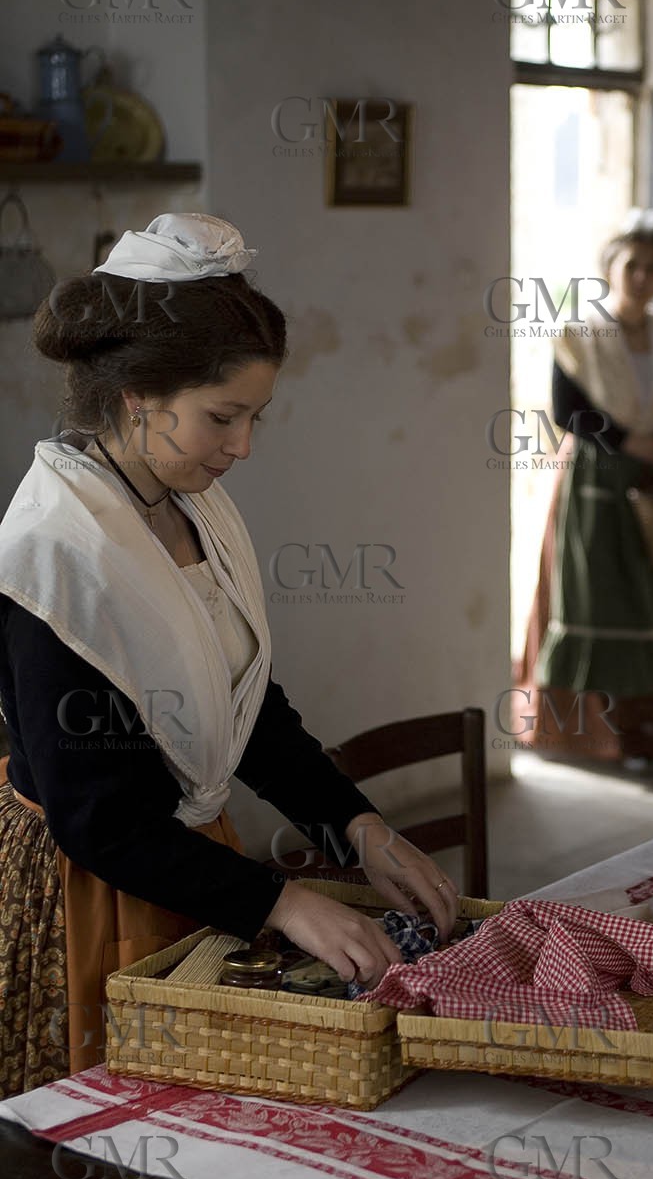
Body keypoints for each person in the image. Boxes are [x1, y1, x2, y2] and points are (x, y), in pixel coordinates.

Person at [0, 213, 458, 1099]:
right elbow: (98, 821)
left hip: (190, 859)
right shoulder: (59, 555)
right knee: (126, 1157)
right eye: (224, 416)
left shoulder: (183, 506)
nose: (243, 445)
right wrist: (277, 900)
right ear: (138, 396)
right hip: (94, 888)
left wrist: (352, 827)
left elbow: (239, 704)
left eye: (255, 416)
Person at [515, 210, 653, 768]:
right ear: (610, 269)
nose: (642, 276)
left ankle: (652, 721)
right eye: (632, 265)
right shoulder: (581, 337)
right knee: (601, 594)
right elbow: (568, 412)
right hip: (600, 479)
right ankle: (597, 728)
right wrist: (626, 441)